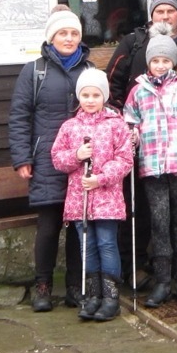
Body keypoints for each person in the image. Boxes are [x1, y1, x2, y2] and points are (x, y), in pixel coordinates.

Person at [106, 0, 177, 287]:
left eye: (171, 11)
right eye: (159, 11)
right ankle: (141, 265)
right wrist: (125, 126)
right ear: (151, 15)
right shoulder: (134, 43)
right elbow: (113, 83)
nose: (165, 16)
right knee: (145, 209)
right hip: (145, 145)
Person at [8, 5, 92, 312]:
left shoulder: (89, 71)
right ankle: (42, 286)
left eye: (74, 33)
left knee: (78, 225)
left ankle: (74, 286)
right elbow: (19, 116)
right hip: (46, 160)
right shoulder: (34, 71)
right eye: (62, 33)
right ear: (51, 37)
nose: (69, 39)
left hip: (81, 159)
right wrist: (22, 158)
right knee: (48, 225)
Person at [122, 23, 177, 307]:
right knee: (159, 222)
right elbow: (130, 122)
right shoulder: (138, 91)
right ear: (149, 62)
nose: (160, 65)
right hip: (153, 167)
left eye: (165, 60)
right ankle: (162, 281)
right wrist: (132, 136)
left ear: (173, 61)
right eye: (155, 60)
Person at [51, 68, 134, 322]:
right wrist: (77, 155)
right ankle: (93, 295)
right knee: (87, 247)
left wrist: (101, 178)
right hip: (80, 200)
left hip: (107, 199)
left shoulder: (116, 125)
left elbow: (125, 160)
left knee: (106, 244)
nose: (90, 100)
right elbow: (57, 158)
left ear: (104, 96)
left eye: (95, 95)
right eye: (85, 95)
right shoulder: (70, 127)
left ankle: (111, 298)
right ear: (79, 97)